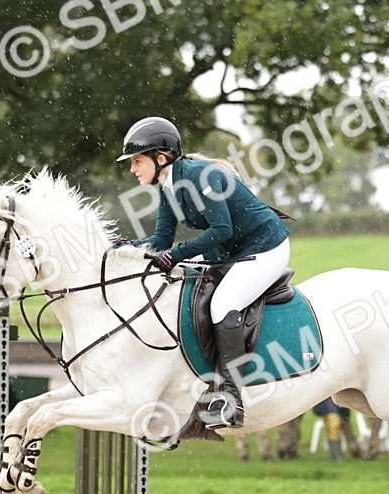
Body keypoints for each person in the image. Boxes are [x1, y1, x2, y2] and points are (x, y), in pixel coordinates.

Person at [116, 117, 292, 429]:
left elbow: (221, 229)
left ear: (161, 158)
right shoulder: (169, 186)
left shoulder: (200, 176)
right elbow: (161, 241)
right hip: (230, 250)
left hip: (265, 247)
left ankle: (230, 398)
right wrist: (127, 247)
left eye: (137, 161)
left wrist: (177, 255)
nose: (133, 169)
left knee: (223, 304)